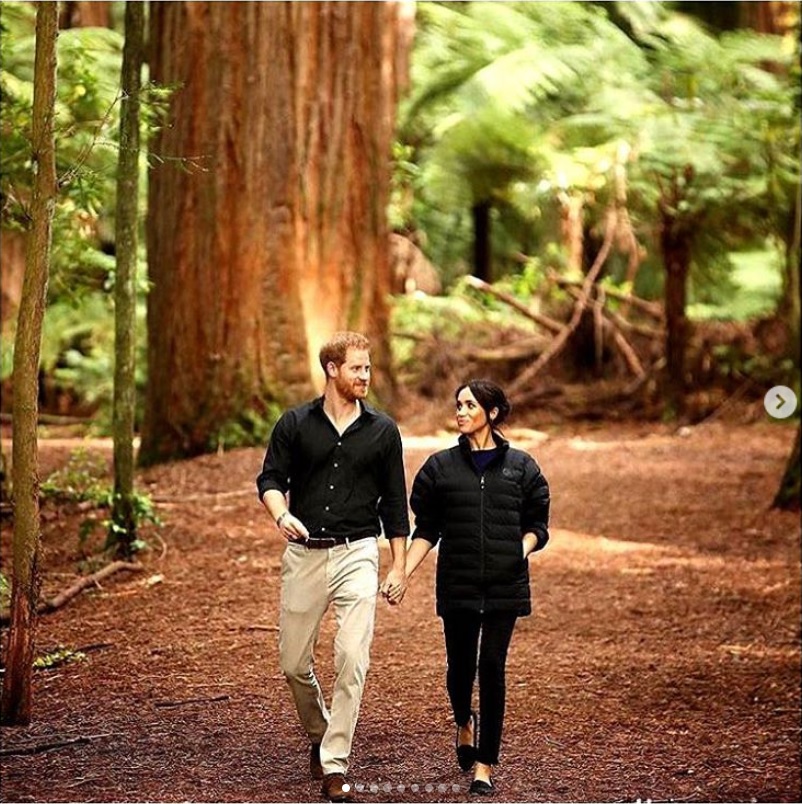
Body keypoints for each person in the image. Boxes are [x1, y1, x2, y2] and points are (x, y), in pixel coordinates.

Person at [256, 332, 409, 803]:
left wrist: (399, 565)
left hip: (357, 552)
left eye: (368, 368)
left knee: (351, 656)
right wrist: (281, 514)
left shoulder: (383, 432)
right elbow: (270, 478)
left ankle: (335, 762)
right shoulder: (295, 424)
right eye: (357, 368)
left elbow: (396, 506)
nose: (365, 376)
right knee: (293, 663)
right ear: (332, 369)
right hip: (304, 553)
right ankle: (321, 731)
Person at [395, 379, 550, 796]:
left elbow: (538, 525)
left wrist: (520, 550)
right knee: (460, 669)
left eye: (469, 405)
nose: (460, 411)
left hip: (505, 585)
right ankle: (463, 718)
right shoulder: (439, 469)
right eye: (458, 405)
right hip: (458, 583)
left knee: (492, 669)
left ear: (492, 413)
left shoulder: (523, 468)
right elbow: (426, 528)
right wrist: (403, 572)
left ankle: (485, 764)